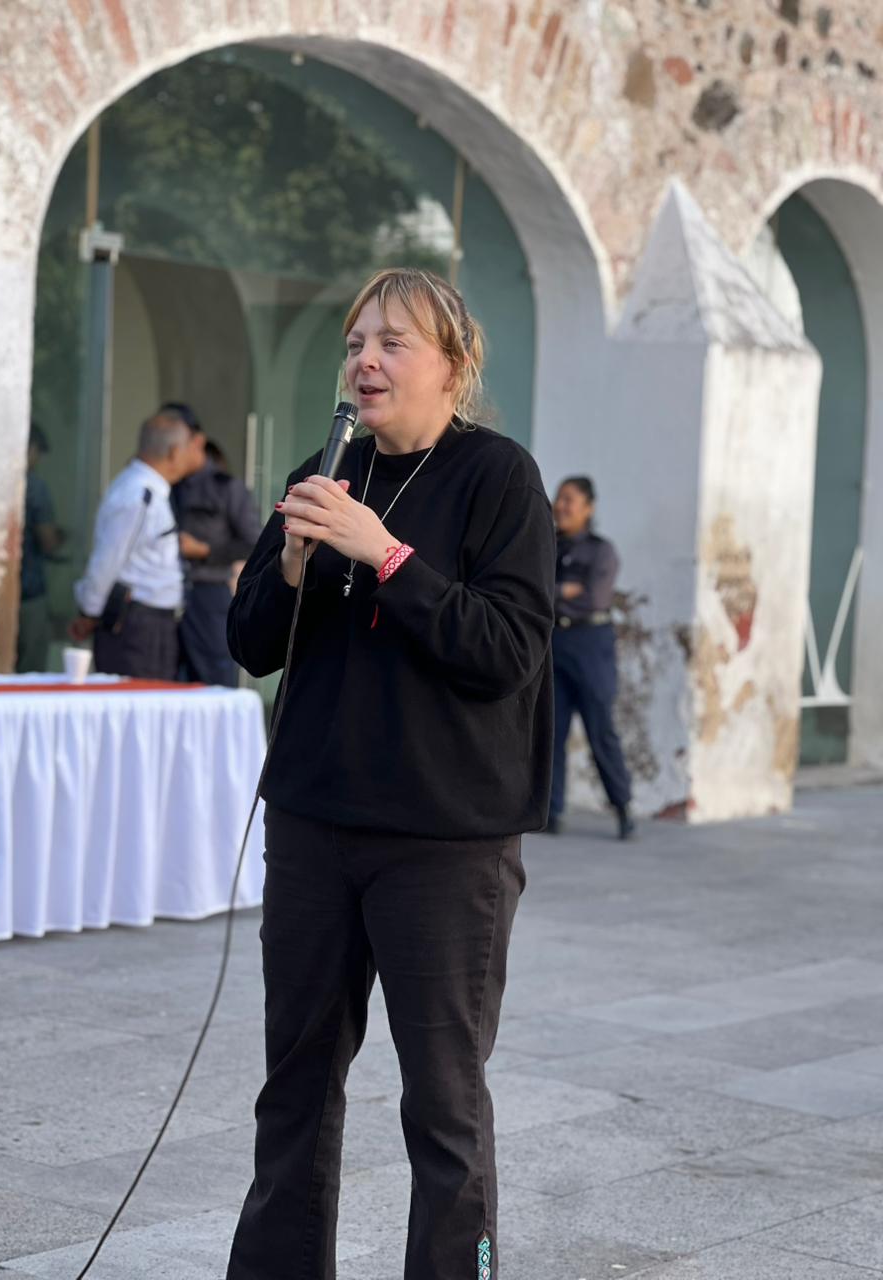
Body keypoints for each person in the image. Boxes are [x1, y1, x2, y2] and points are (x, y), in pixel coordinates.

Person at [224, 268, 556, 1280]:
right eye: (357, 340)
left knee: (443, 1099)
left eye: (393, 342)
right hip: (317, 824)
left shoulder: (500, 478)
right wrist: (290, 564)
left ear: (454, 367)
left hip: (444, 844)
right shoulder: (326, 470)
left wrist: (386, 556)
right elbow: (249, 642)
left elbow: (506, 648)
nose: (365, 359)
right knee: (295, 1085)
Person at [69, 410, 205, 679]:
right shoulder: (140, 494)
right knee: (138, 710)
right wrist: (89, 612)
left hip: (149, 625)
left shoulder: (147, 489)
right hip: (137, 627)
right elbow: (108, 561)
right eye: (190, 447)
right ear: (175, 452)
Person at [548, 475, 634, 839]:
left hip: (590, 644)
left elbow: (595, 598)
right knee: (551, 731)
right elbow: (526, 589)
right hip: (554, 642)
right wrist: (561, 589)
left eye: (570, 500)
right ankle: (550, 813)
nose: (561, 506)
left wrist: (552, 592)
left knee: (601, 729)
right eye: (559, 498)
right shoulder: (546, 545)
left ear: (588, 508)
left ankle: (623, 808)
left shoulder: (601, 551)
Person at [167, 406, 262, 686]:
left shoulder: (226, 487)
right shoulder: (165, 485)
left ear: (196, 441)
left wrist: (205, 551)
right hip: (164, 598)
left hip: (207, 596)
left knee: (214, 684)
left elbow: (254, 544)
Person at [16, 423, 65, 673]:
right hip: (29, 592)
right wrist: (60, 539)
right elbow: (47, 539)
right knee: (29, 673)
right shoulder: (34, 487)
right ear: (31, 448)